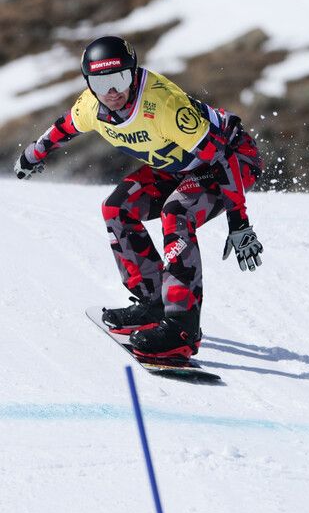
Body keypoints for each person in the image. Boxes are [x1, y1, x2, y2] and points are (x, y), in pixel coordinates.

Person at [13, 35, 264, 359]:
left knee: (177, 213)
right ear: (89, 85)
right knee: (117, 208)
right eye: (101, 84)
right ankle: (154, 304)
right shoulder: (92, 106)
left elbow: (221, 157)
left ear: (133, 72)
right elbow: (64, 126)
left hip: (232, 160)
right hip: (181, 164)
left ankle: (181, 328)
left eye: (120, 79)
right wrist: (34, 154)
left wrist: (239, 222)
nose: (113, 92)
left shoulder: (162, 107)